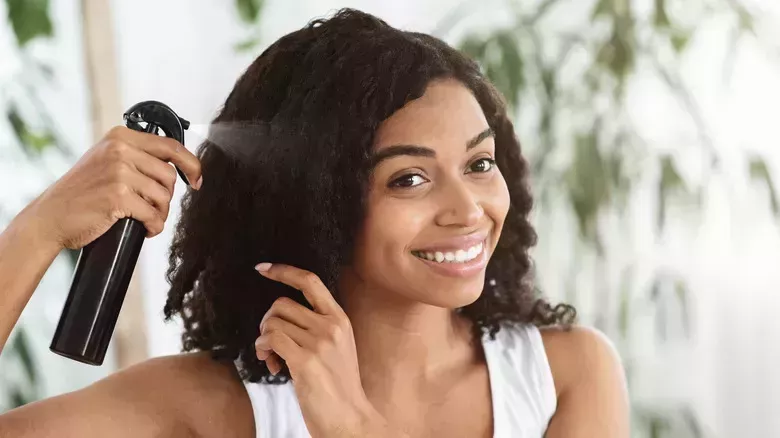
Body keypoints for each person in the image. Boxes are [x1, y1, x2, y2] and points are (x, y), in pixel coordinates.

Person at [0, 8, 629, 438]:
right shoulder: (215, 405)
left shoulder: (565, 376)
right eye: (408, 178)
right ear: (316, 203)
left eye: (479, 163)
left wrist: (353, 425)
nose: (468, 210)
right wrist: (38, 230)